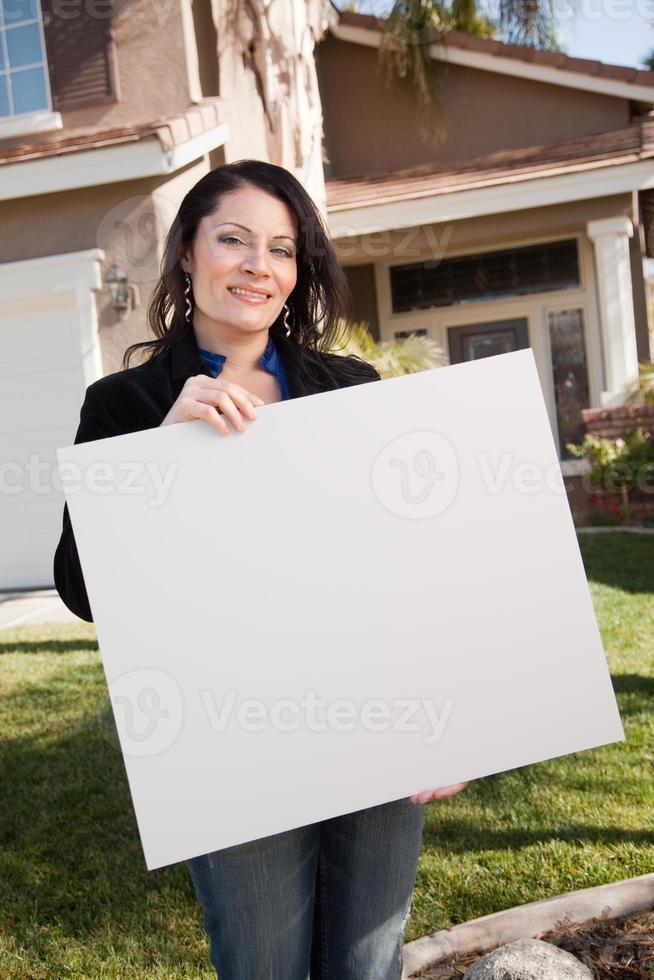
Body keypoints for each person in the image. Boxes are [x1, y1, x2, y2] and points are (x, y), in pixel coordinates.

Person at [53, 159, 467, 980]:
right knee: (263, 965)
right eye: (233, 239)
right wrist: (159, 460)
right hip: (228, 737)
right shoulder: (125, 406)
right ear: (186, 256)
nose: (257, 265)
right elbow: (82, 589)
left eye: (281, 249)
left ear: (297, 273)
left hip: (372, 715)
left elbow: (404, 572)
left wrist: (446, 721)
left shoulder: (350, 388)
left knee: (367, 963)